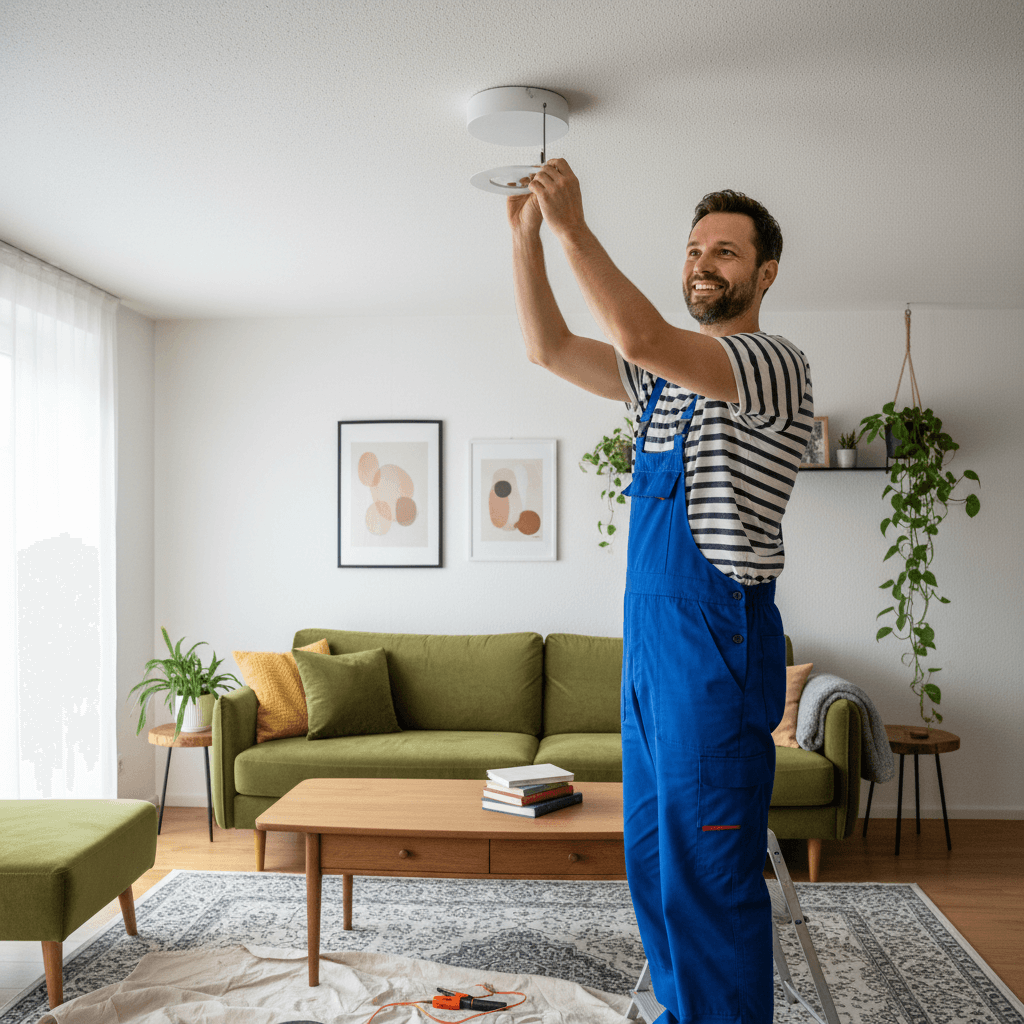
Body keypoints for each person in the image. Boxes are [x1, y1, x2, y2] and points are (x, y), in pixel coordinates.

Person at [507, 159, 813, 1023]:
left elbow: (640, 339)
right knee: (656, 865)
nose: (702, 264)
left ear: (765, 274)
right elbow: (550, 348)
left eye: (724, 250)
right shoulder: (667, 388)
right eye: (692, 250)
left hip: (715, 648)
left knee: (710, 872)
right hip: (652, 654)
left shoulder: (769, 364)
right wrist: (525, 239)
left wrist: (572, 224)